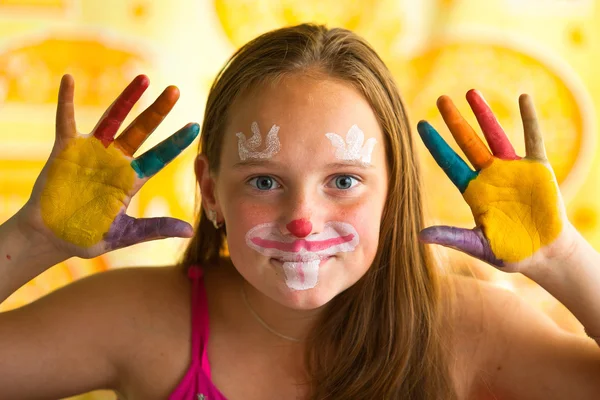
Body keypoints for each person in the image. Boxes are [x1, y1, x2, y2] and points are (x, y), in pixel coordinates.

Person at [1, 23, 599, 400]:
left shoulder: (470, 329)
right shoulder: (143, 318)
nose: (303, 219)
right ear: (211, 191)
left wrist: (563, 257)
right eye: (264, 179)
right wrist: (33, 238)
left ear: (394, 192)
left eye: (343, 180)